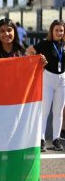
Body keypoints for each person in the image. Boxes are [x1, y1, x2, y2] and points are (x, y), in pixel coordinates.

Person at [26, 19, 65, 152]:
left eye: (61, 30)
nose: (59, 33)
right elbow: (29, 51)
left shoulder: (64, 45)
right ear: (51, 31)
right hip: (47, 78)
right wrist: (37, 65)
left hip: (62, 80)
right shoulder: (46, 44)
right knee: (44, 111)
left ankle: (56, 139)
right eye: (56, 30)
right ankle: (41, 139)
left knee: (58, 112)